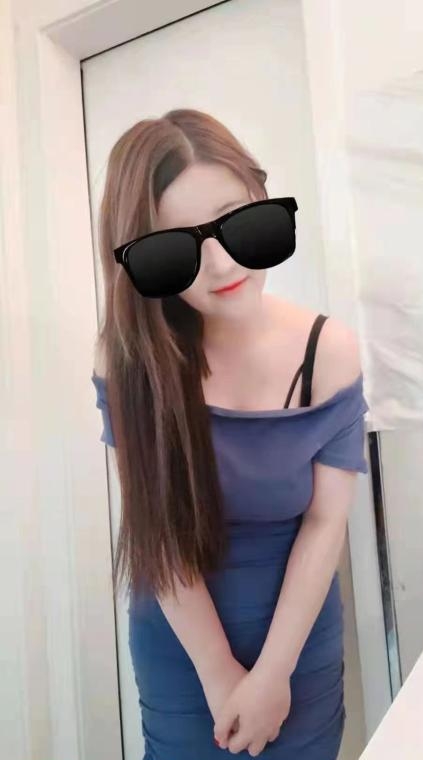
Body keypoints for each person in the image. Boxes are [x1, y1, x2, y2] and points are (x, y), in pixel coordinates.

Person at [91, 108, 369, 760]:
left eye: (234, 219)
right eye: (177, 245)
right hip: (181, 651)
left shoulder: (328, 351)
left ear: (260, 197)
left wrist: (272, 675)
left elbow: (325, 521)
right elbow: (157, 526)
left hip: (296, 647)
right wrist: (218, 675)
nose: (219, 265)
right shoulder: (128, 361)